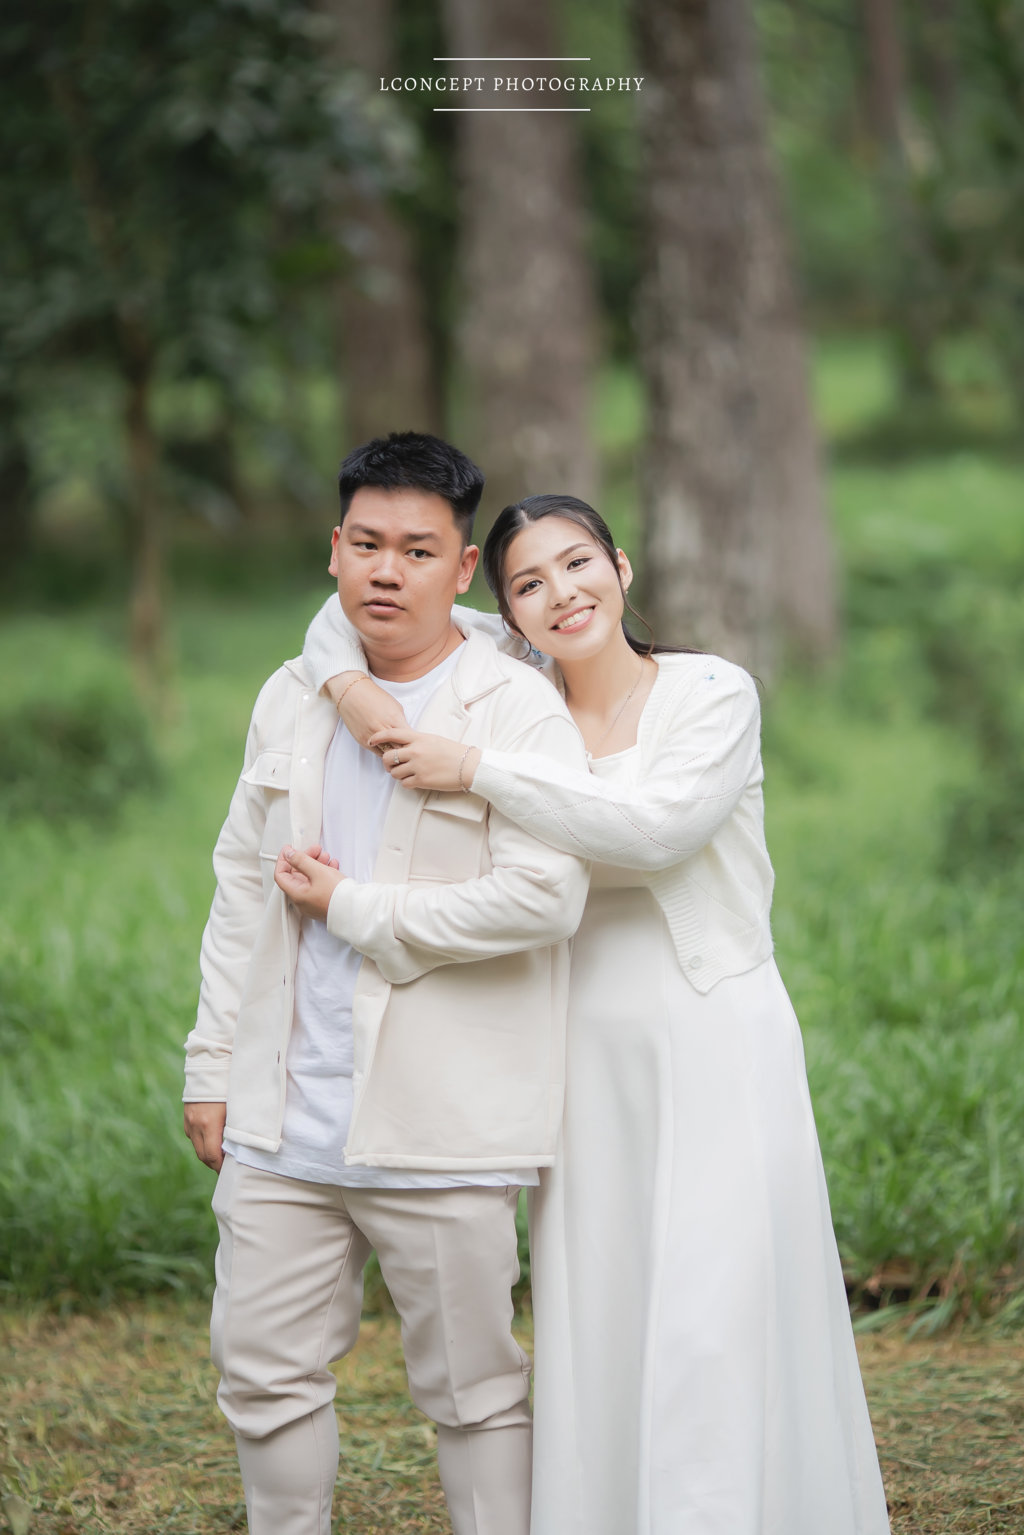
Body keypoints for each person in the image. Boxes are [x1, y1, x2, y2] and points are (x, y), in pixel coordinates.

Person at [302, 493, 892, 1535]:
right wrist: (350, 686)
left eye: (578, 564)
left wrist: (478, 769)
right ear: (508, 613)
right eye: (528, 583)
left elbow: (658, 829)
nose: (561, 593)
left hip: (711, 1029)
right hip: (574, 1041)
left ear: (621, 567)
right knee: (606, 1298)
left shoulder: (712, 691)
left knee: (715, 1300)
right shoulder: (518, 692)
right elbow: (340, 614)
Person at [183, 441, 591, 1535]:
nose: (386, 570)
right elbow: (240, 887)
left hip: (443, 1117)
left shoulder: (515, 707)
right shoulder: (294, 694)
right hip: (284, 1112)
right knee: (261, 1372)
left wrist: (358, 907)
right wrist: (211, 1062)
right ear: (334, 550)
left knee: (473, 1388)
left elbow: (546, 899)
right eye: (366, 544)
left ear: (461, 567)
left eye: (417, 550)